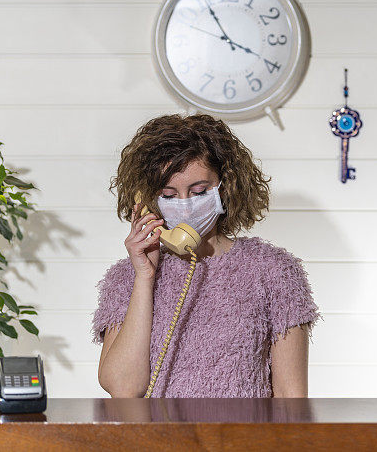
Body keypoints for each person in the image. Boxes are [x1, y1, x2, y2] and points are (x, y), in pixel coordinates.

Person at [91, 113, 322, 398]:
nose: (185, 205)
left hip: (241, 441)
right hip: (157, 442)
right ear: (148, 200)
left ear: (226, 187)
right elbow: (123, 388)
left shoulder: (273, 270)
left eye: (199, 190)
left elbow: (291, 397)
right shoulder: (126, 278)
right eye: (169, 194)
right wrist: (144, 278)